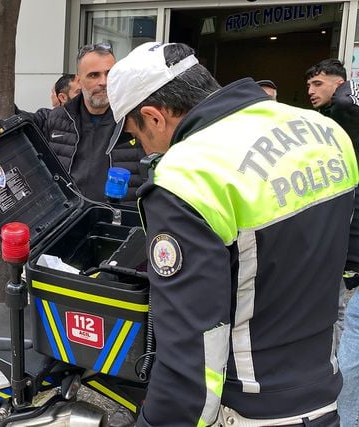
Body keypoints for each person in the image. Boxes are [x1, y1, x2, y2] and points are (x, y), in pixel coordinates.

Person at [107, 42, 358, 426]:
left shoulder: (187, 173)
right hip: (321, 389)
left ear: (153, 117)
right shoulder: (325, 131)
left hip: (249, 407)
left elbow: (193, 347)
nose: (142, 147)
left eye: (134, 136)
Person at [306, 58, 359, 427]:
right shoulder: (330, 121)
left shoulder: (345, 113)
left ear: (339, 84)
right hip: (339, 253)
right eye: (309, 85)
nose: (311, 91)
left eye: (319, 84)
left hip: (348, 256)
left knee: (345, 339)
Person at [32, 43, 145, 203]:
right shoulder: (57, 118)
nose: (104, 82)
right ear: (79, 80)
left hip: (119, 216)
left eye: (109, 73)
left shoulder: (137, 119)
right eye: (94, 75)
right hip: (70, 214)